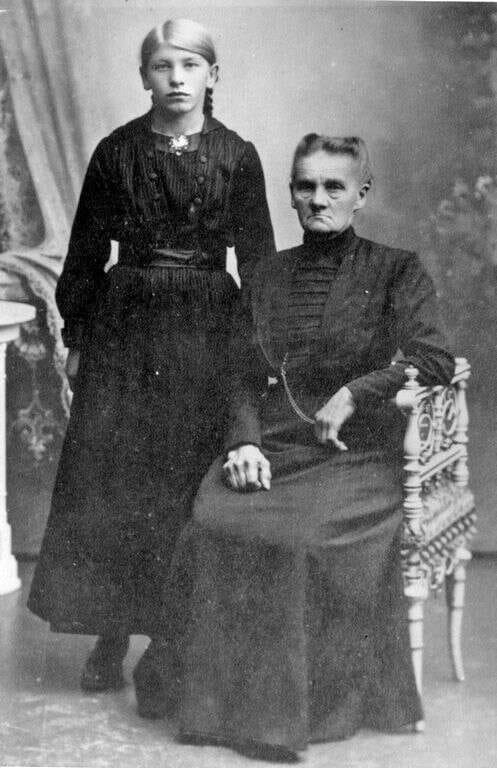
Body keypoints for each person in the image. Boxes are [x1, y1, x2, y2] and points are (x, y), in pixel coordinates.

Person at [155, 135, 454, 760]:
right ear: (291, 193)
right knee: (212, 520)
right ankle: (213, 709)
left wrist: (356, 392)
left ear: (360, 195)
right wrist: (243, 441)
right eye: (305, 186)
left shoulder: (396, 269)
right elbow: (239, 372)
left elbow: (435, 358)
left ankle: (286, 716)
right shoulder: (265, 275)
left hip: (356, 454)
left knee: (295, 540)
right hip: (275, 445)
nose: (318, 199)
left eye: (333, 187)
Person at [27, 18, 275, 695]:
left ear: (212, 76)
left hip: (205, 325)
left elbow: (258, 262)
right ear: (144, 77)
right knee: (115, 479)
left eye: (190, 65)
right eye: (163, 66)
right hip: (125, 326)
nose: (176, 78)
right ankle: (109, 633)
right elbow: (84, 254)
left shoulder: (237, 156)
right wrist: (79, 340)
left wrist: (257, 349)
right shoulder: (115, 153)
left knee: (181, 477)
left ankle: (168, 642)